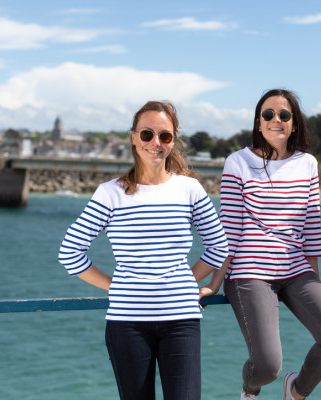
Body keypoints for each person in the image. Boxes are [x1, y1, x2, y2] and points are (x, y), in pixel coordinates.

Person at [58, 100, 228, 400]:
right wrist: (117, 286)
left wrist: (186, 280)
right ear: (133, 137)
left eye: (165, 136)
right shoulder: (110, 193)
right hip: (128, 325)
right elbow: (70, 253)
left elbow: (218, 246)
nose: (155, 142)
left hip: (181, 321)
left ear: (173, 142)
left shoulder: (189, 189)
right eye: (147, 134)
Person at [200, 89, 321, 400]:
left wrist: (316, 279)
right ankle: (249, 391)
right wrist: (214, 283)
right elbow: (227, 231)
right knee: (268, 366)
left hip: (297, 272)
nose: (276, 120)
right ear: (259, 122)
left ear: (294, 124)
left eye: (284, 115)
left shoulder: (308, 163)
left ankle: (295, 392)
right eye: (268, 115)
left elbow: (310, 228)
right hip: (248, 272)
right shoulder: (237, 162)